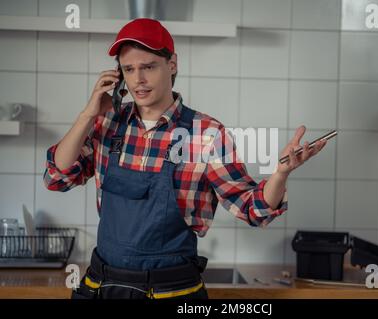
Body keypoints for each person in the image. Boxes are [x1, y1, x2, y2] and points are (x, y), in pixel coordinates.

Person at [43, 18, 327, 299]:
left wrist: (280, 174)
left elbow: (253, 208)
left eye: (148, 67)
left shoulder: (206, 134)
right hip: (103, 287)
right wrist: (87, 116)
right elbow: (57, 178)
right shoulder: (107, 123)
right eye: (129, 69)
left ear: (172, 64)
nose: (138, 80)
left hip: (172, 292)